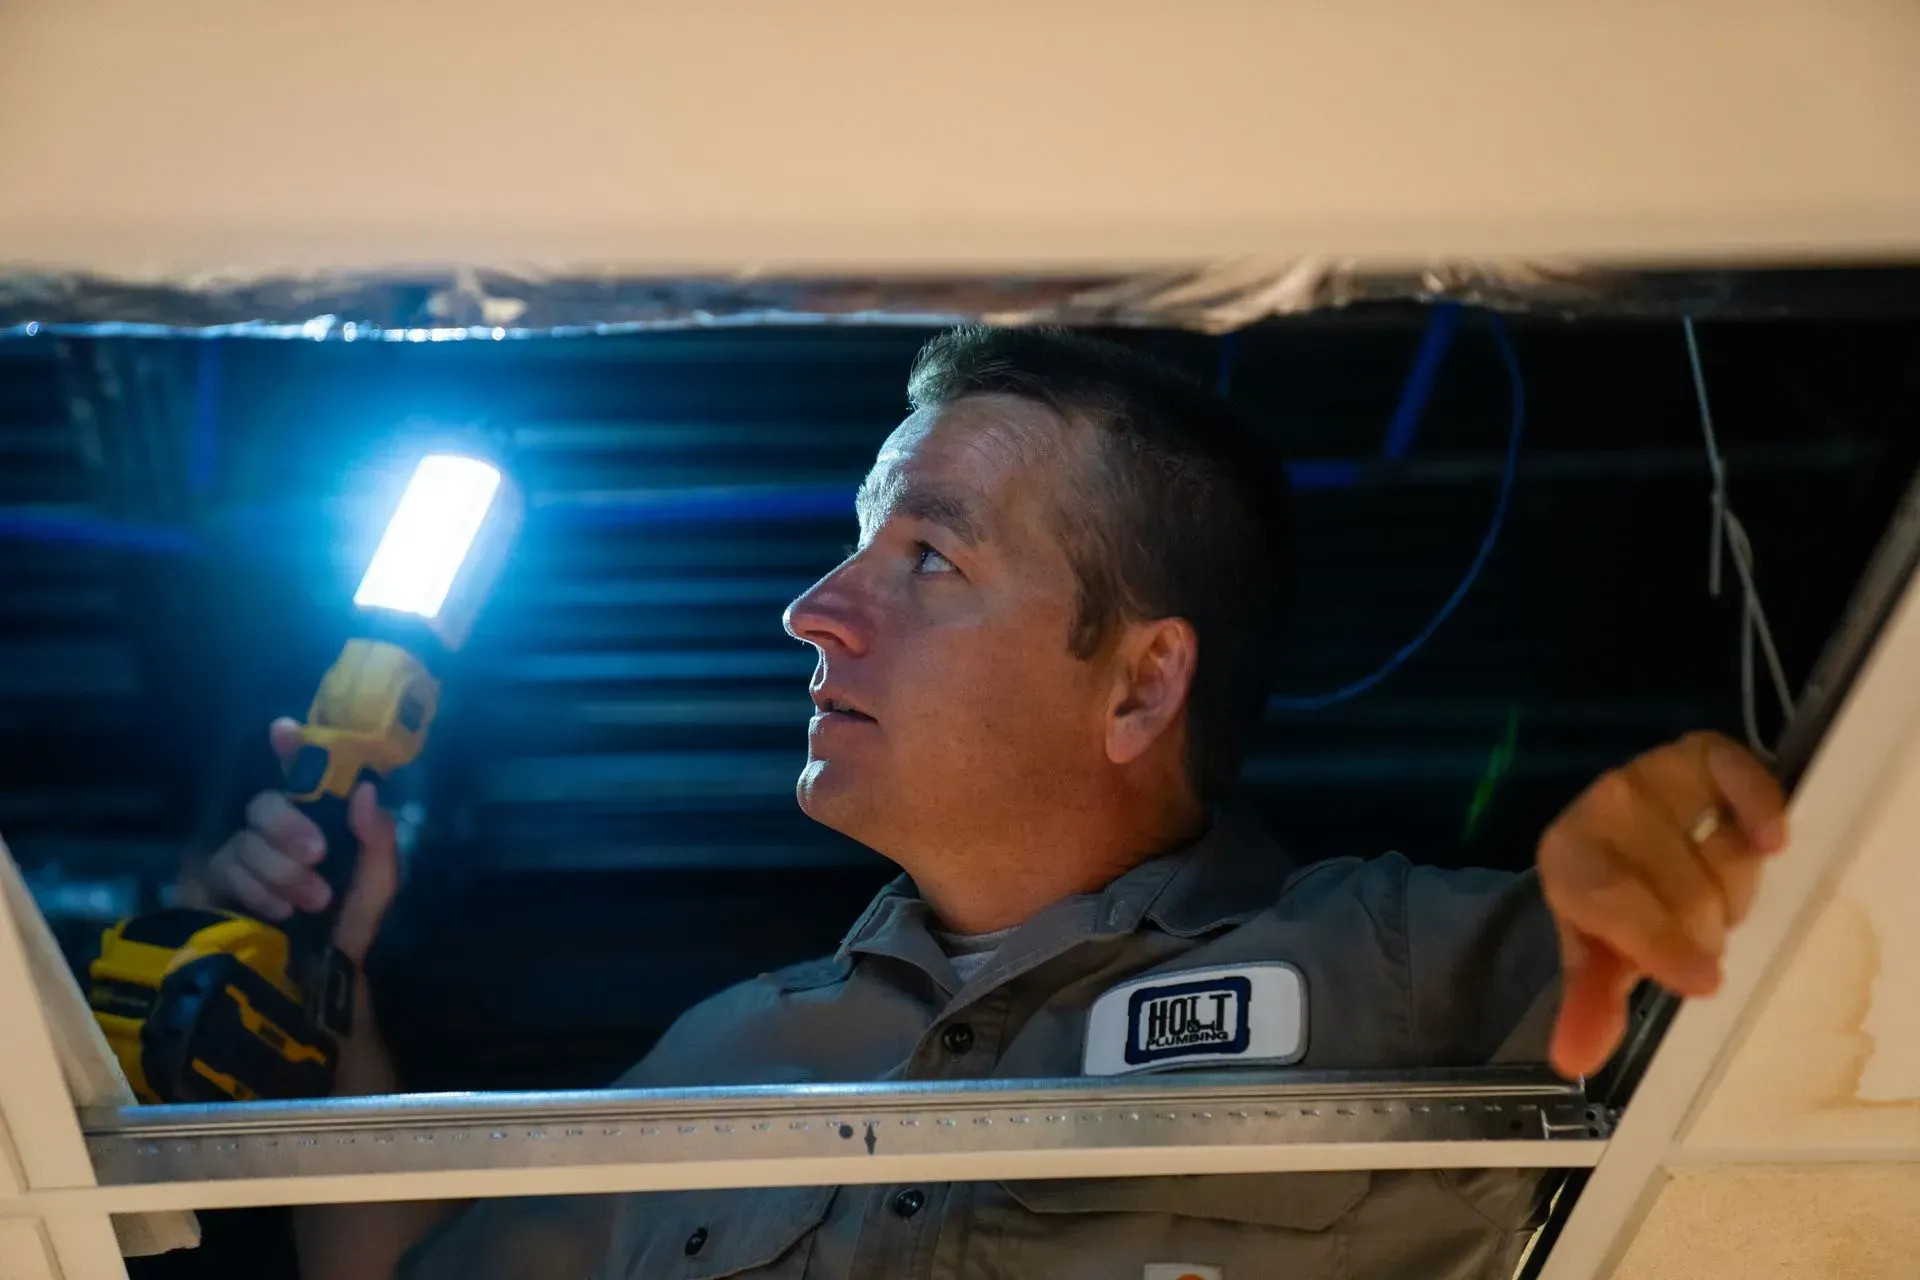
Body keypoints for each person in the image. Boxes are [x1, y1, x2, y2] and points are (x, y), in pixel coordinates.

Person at [194, 327, 1789, 1280]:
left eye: (927, 559)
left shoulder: (1401, 971)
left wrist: (1711, 854)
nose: (812, 610)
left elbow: (1810, 1011)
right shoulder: (730, 1056)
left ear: (1141, 686)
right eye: (855, 546)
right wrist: (336, 981)